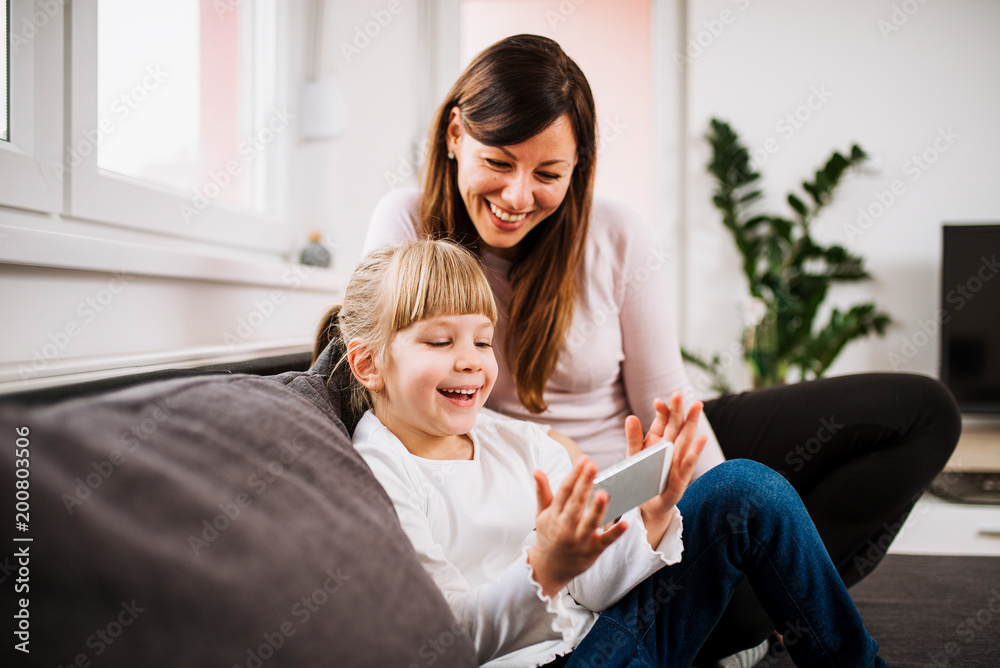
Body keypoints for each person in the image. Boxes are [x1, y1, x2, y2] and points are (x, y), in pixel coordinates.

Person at [360, 33, 961, 664]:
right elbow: (389, 378)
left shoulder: (615, 233)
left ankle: (760, 591)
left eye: (548, 174)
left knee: (917, 412)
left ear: (578, 168)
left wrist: (690, 493)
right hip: (547, 499)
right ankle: (747, 604)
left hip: (632, 462)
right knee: (730, 534)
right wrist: (560, 476)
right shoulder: (406, 225)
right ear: (456, 134)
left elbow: (665, 398)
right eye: (499, 162)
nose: (517, 197)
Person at [319, 238, 887, 667]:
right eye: (441, 342)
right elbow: (441, 640)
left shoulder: (518, 441)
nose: (470, 360)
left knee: (747, 488)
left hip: (608, 638)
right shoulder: (377, 474)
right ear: (369, 364)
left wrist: (653, 515)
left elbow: (591, 588)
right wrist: (543, 570)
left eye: (483, 341)